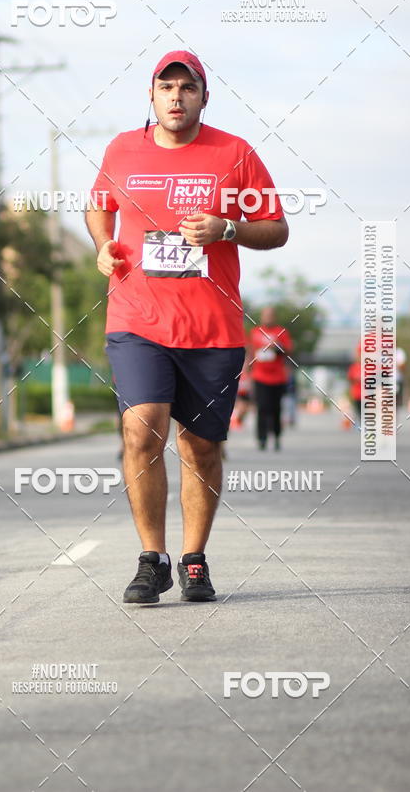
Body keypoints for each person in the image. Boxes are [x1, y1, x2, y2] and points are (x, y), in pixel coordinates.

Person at [86, 50, 288, 604]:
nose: (177, 96)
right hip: (138, 319)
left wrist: (228, 228)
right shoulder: (123, 149)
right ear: (151, 96)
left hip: (212, 329)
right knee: (141, 427)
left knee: (200, 448)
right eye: (166, 87)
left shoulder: (235, 153)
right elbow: (98, 206)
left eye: (188, 88)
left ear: (205, 96)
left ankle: (194, 558)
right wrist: (104, 244)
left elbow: (276, 228)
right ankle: (152, 559)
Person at [249, 306, 292, 450]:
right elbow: (250, 352)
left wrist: (277, 347)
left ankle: (277, 436)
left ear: (275, 317)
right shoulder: (255, 332)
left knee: (275, 409)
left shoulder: (281, 332)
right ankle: (261, 438)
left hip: (278, 377)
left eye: (270, 315)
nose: (268, 318)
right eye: (265, 315)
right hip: (260, 377)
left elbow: (288, 350)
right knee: (262, 408)